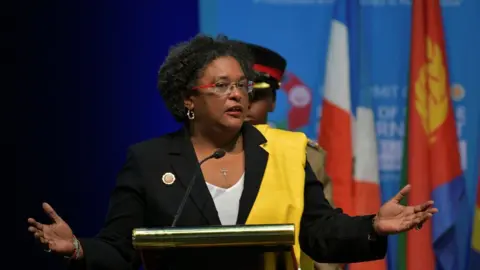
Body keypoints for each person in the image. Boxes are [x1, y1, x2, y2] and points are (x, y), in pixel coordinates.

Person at [27, 34, 438, 270]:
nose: (237, 95)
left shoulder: (285, 151)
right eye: (221, 86)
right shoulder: (148, 161)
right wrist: (78, 248)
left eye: (242, 85)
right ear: (189, 98)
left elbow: (318, 232)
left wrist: (372, 226)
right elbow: (120, 249)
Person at [244, 42, 341, 270]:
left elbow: (323, 233)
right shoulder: (197, 152)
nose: (244, 104)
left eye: (255, 96)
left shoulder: (304, 155)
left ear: (273, 101)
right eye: (235, 93)